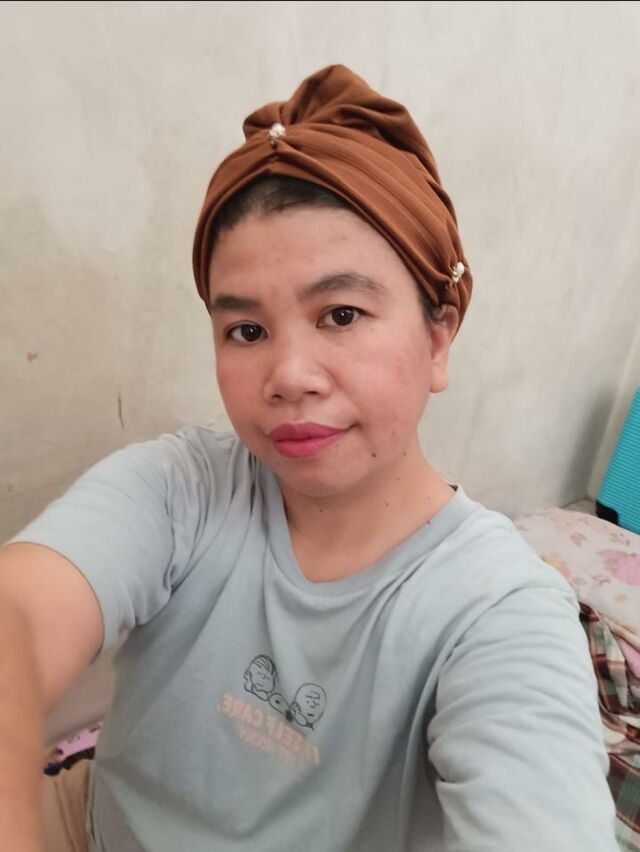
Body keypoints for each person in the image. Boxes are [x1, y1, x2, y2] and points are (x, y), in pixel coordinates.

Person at [0, 64, 619, 852]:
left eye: (341, 314)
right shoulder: (182, 488)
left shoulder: (497, 614)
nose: (289, 376)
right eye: (246, 331)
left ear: (439, 336)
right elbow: (19, 615)